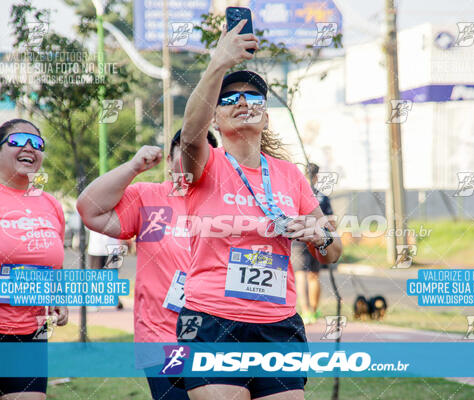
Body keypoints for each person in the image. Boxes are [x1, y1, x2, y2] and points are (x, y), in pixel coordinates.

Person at [177, 20, 342, 400]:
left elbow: (333, 252)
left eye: (253, 99)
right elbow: (189, 133)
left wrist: (322, 235)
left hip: (278, 325)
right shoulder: (204, 164)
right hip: (212, 322)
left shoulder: (290, 176)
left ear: (266, 116)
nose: (243, 104)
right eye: (230, 99)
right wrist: (218, 63)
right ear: (215, 119)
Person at [76, 129, 218, 400]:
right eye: (184, 151)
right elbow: (89, 209)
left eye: (200, 152)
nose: (191, 158)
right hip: (163, 337)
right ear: (169, 159)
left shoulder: (225, 204)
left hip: (216, 336)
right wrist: (133, 167)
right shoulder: (148, 197)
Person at [0, 119, 68, 400]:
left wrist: (56, 295)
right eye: (18, 141)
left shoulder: (50, 205)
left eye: (37, 143)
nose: (29, 147)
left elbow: (52, 263)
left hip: (29, 331)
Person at [292, 163, 334, 325]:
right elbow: (331, 222)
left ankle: (306, 311)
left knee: (301, 276)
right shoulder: (323, 197)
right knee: (314, 276)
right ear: (316, 176)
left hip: (299, 240)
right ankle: (314, 310)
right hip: (318, 239)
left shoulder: (295, 193)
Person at [87, 230, 124, 309]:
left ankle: (115, 298)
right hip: (97, 247)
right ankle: (95, 301)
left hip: (112, 247)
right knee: (95, 275)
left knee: (113, 275)